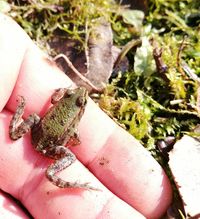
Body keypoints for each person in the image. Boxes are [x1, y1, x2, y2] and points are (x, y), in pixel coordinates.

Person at [0, 13, 172, 219]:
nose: (79, 93)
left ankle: (19, 121)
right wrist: (70, 136)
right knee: (70, 155)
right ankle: (62, 179)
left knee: (34, 117)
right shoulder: (71, 115)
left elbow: (55, 99)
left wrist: (22, 109)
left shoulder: (59, 99)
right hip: (48, 147)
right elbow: (76, 139)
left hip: (39, 135)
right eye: (77, 98)